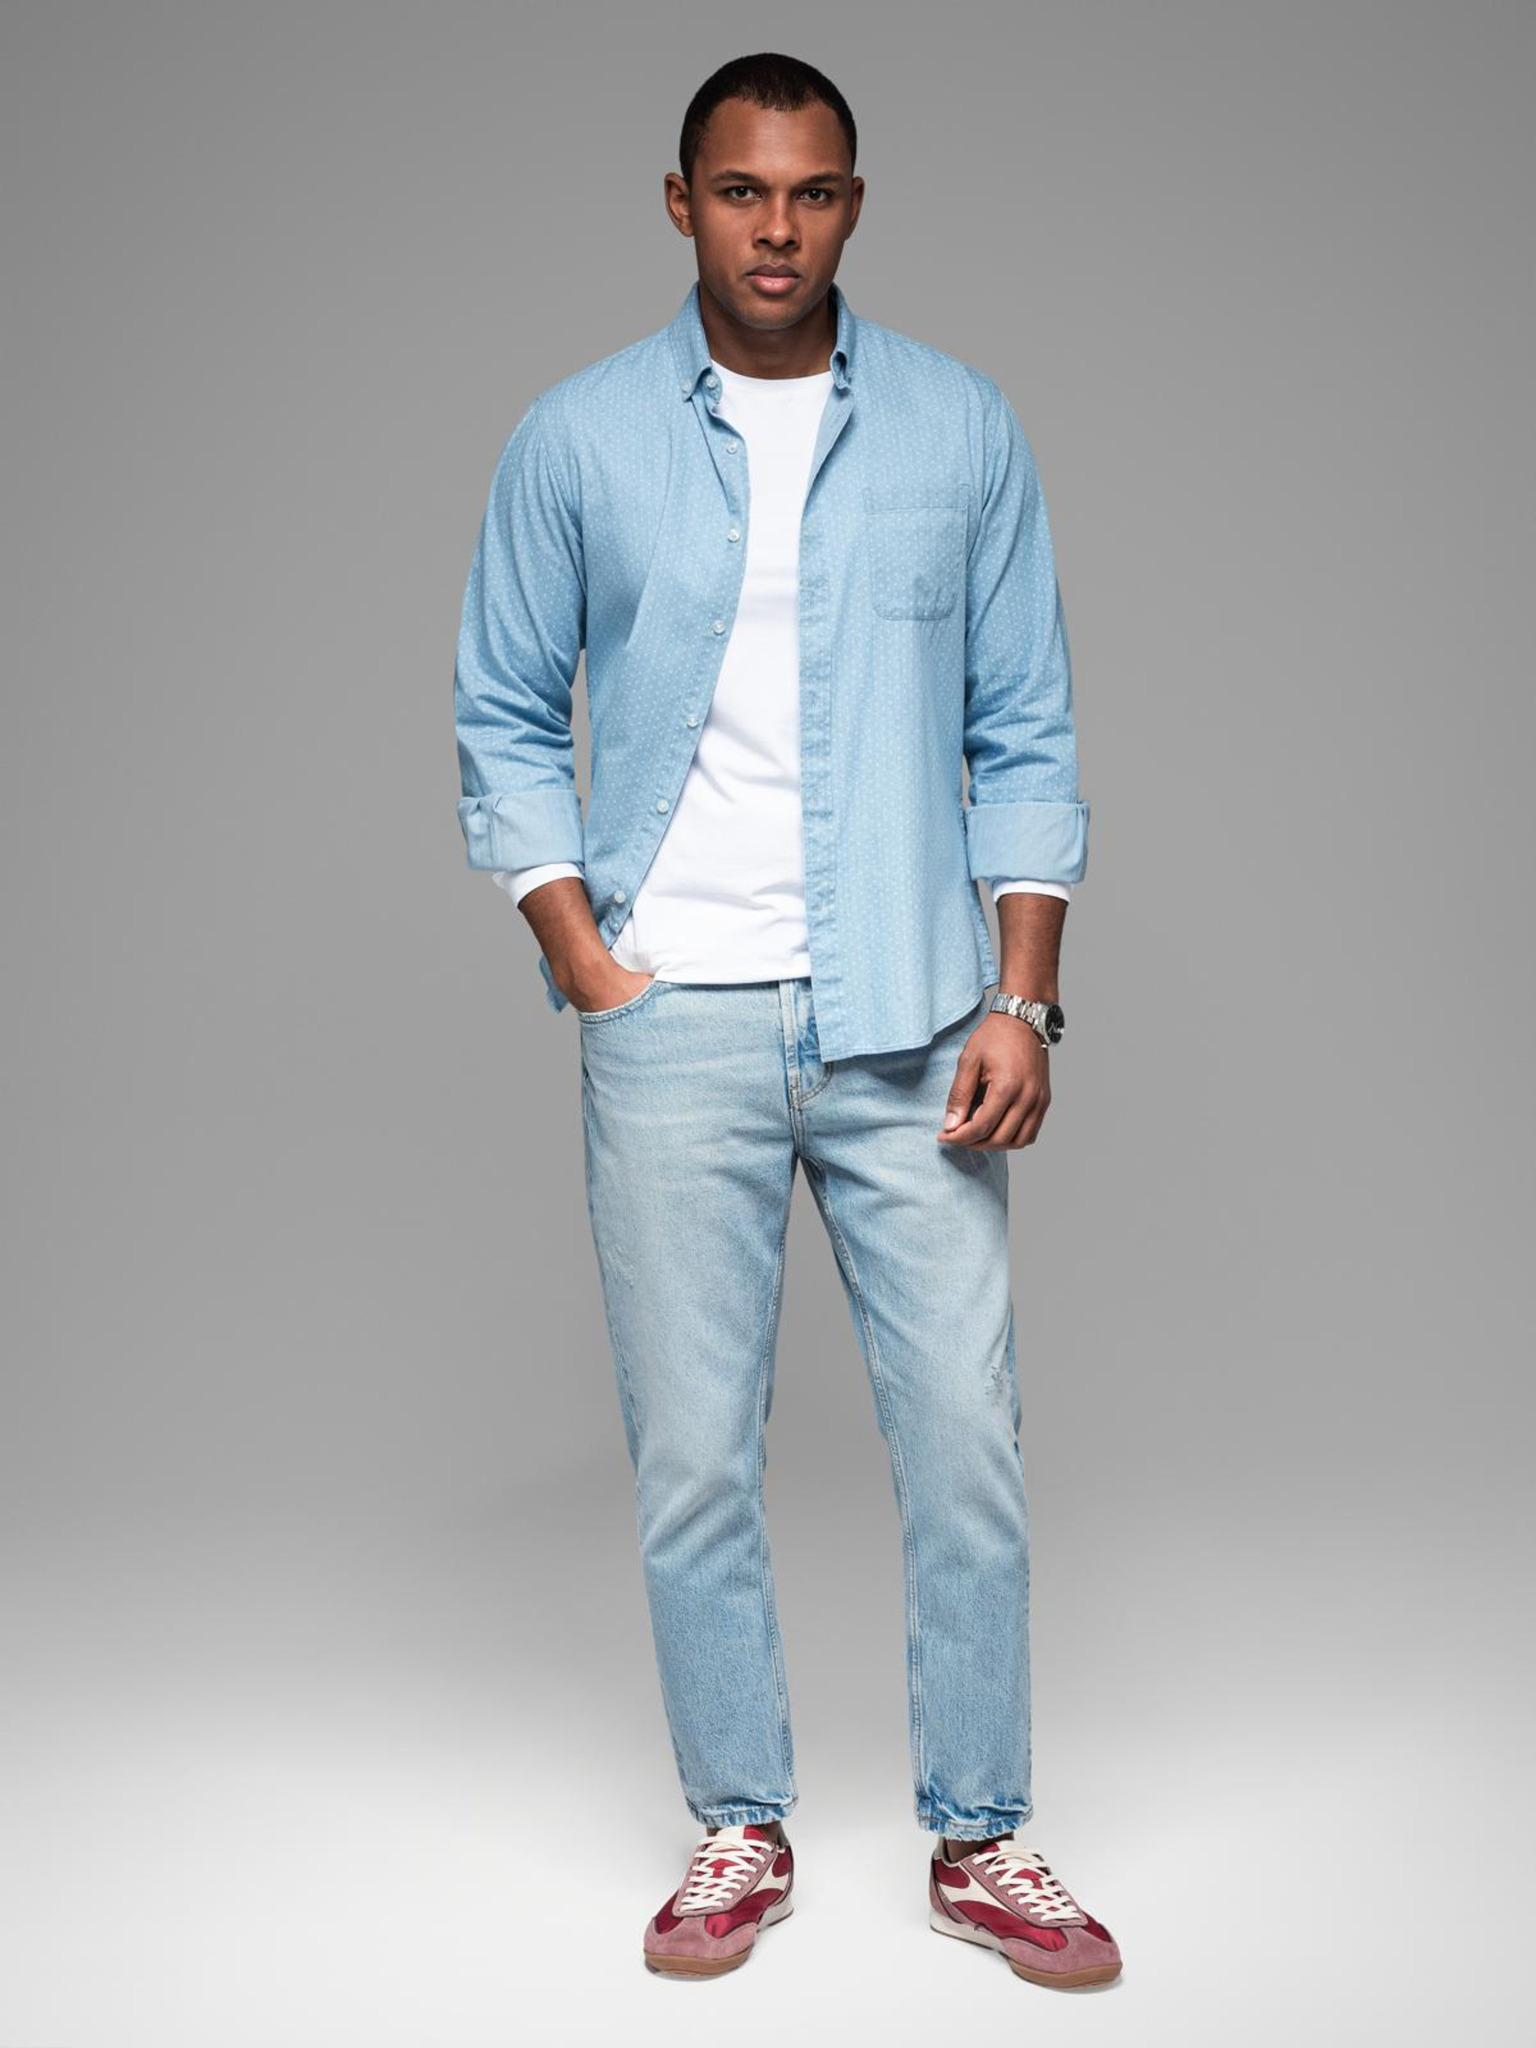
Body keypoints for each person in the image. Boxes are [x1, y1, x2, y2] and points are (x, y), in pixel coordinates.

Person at [453, 50, 1121, 1992]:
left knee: (968, 1440)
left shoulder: (961, 428)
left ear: (854, 205)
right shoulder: (576, 439)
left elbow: (1027, 729)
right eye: (740, 191)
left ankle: (984, 1836)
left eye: (811, 192)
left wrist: (1025, 996)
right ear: (682, 203)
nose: (775, 228)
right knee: (692, 1458)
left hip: (916, 1016)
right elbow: (504, 710)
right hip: (674, 1023)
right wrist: (581, 951)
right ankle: (738, 1821)